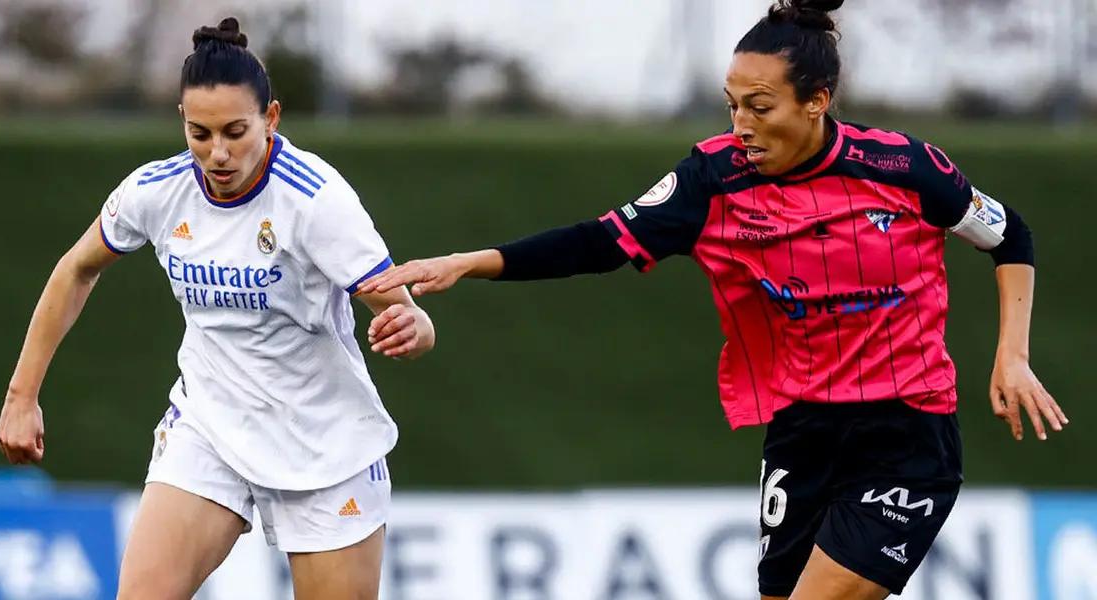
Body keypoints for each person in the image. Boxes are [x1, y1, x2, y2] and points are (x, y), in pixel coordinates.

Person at [357, 1, 1068, 598]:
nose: (741, 126)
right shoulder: (713, 180)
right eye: (732, 105)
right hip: (802, 431)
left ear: (817, 101)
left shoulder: (904, 169)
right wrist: (469, 262)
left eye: (761, 107)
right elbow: (598, 242)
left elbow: (1011, 237)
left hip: (906, 435)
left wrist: (1012, 356)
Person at [0, 17, 434, 599]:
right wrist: (21, 397)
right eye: (200, 133)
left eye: (235, 131)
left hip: (325, 445)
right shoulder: (156, 191)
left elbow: (400, 308)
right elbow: (76, 269)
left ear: (271, 118)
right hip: (210, 428)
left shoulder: (316, 201)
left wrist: (417, 327)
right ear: (182, 119)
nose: (218, 153)